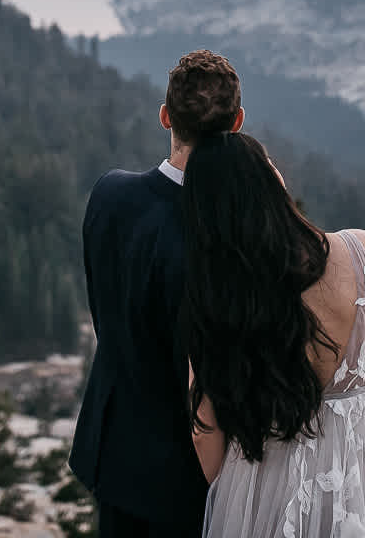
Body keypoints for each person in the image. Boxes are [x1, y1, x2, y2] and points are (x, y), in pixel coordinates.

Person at [182, 129, 365, 537]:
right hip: (364, 460)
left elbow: (205, 421)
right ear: (272, 179)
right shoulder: (364, 250)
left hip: (265, 461)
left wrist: (237, 492)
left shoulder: (218, 294)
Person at [69, 50, 244, 538]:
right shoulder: (222, 238)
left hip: (112, 446)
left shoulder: (109, 194)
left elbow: (106, 312)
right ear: (237, 124)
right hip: (185, 471)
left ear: (166, 115)